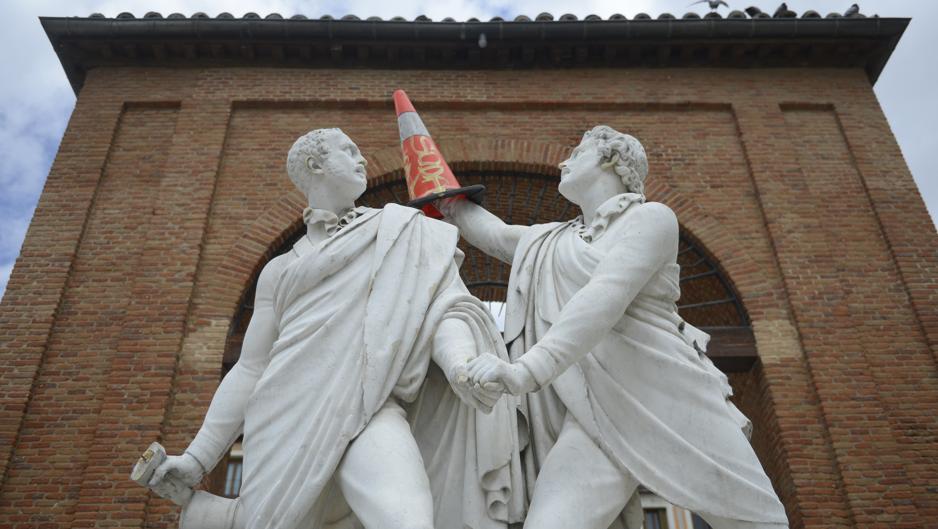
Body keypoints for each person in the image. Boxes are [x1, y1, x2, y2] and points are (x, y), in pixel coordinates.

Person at [146, 128, 523, 529]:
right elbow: (252, 368)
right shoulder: (280, 270)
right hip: (284, 421)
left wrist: (459, 365)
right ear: (315, 165)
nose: (362, 159)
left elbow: (446, 309)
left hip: (370, 406)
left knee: (407, 519)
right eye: (350, 151)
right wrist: (198, 457)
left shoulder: (402, 232)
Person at [442, 126, 790, 529]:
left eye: (576, 152)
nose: (563, 161)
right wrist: (449, 203)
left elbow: (603, 299)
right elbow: (500, 237)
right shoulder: (555, 240)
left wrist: (524, 370)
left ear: (610, 159)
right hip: (595, 410)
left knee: (757, 523)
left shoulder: (651, 219)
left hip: (670, 394)